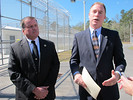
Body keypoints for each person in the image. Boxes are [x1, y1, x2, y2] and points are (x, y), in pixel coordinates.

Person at [69, 2, 126, 100]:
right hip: (87, 90)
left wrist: (117, 74)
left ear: (104, 17)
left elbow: (120, 61)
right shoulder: (78, 37)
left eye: (100, 12)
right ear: (89, 15)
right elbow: (74, 60)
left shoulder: (113, 35)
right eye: (94, 11)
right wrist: (76, 74)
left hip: (109, 91)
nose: (97, 14)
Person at [8, 16, 60, 100]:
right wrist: (33, 90)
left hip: (47, 94)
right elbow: (14, 73)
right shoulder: (15, 48)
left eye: (35, 25)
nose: (34, 28)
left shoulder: (50, 45)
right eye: (30, 26)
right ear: (23, 31)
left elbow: (55, 66)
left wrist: (45, 89)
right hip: (25, 96)